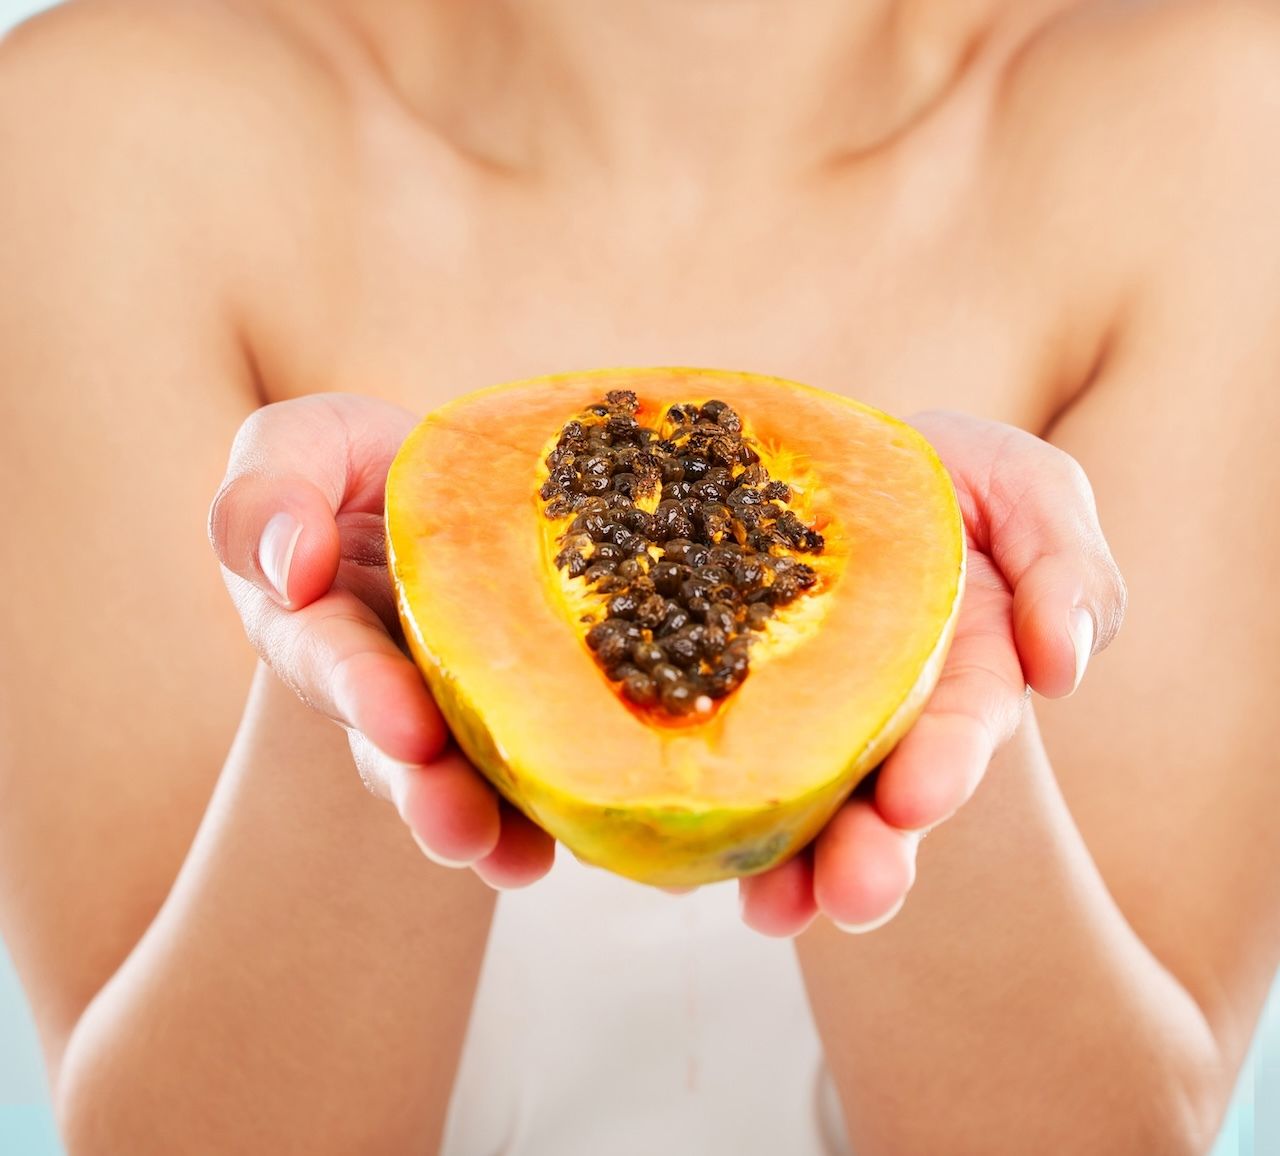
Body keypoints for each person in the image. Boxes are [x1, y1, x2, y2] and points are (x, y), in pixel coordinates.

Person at [1, 0, 1277, 1152]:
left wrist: (922, 660)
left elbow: (1123, 1132)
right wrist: (372, 654)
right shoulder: (105, 134)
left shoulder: (1210, 125)